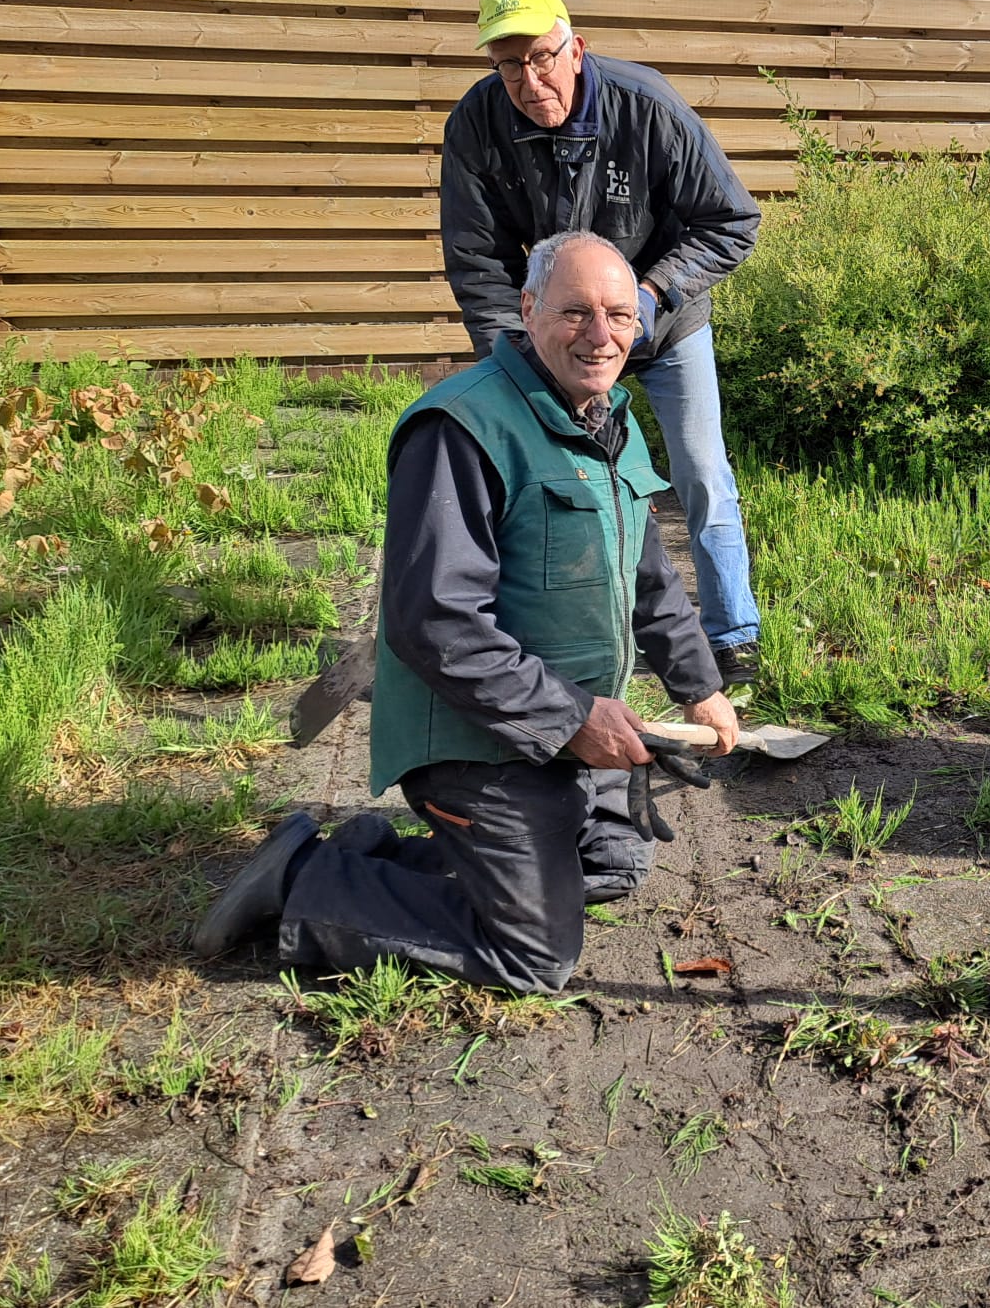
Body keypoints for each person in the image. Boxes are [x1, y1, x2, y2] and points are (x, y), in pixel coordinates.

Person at [194, 232, 740, 992]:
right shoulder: (462, 428)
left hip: (551, 732)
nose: (601, 334)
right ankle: (307, 882)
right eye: (575, 311)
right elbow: (436, 622)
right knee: (537, 956)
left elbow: (649, 573)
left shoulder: (605, 413)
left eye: (620, 314)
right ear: (526, 309)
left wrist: (700, 685)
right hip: (475, 740)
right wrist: (575, 718)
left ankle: (377, 856)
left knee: (614, 861)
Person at [441, 0, 764, 688]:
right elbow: (476, 256)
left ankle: (732, 633)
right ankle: (566, 627)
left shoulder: (645, 107)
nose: (528, 80)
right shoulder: (476, 124)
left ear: (575, 49)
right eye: (508, 64)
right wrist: (517, 358)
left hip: (667, 321)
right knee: (558, 475)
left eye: (542, 58)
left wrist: (647, 298)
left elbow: (731, 221)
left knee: (701, 471)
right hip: (557, 337)